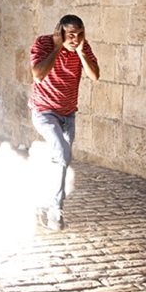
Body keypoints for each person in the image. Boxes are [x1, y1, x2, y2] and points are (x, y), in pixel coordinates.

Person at [30, 14, 100, 231]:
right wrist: (58, 47)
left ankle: (44, 203)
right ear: (59, 31)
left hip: (68, 114)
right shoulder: (44, 43)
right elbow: (38, 75)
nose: (75, 39)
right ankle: (54, 212)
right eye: (71, 35)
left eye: (79, 35)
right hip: (44, 112)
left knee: (61, 161)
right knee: (61, 153)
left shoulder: (82, 47)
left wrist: (80, 51)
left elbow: (95, 75)